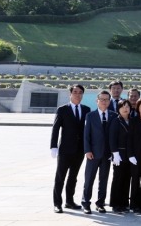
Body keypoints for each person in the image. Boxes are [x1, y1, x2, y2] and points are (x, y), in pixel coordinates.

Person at [50, 84, 91, 213]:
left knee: (73, 177)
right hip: (65, 150)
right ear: (70, 94)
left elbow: (88, 131)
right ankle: (57, 203)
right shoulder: (62, 109)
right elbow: (55, 128)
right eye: (75, 92)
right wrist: (53, 146)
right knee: (60, 177)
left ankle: (69, 201)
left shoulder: (86, 109)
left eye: (80, 92)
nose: (77, 94)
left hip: (79, 150)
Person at [81, 90, 117, 214]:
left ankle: (100, 203)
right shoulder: (90, 116)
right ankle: (86, 203)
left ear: (109, 101)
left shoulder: (113, 115)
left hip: (107, 155)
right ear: (97, 101)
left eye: (106, 99)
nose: (104, 101)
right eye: (101, 99)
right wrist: (87, 150)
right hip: (93, 154)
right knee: (89, 179)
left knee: (104, 180)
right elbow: (86, 135)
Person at [109, 100, 131, 213]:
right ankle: (115, 203)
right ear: (118, 109)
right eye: (123, 107)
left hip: (130, 155)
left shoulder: (131, 120)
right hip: (119, 155)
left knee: (127, 179)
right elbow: (112, 138)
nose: (125, 109)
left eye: (127, 106)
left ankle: (124, 202)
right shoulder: (116, 121)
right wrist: (115, 153)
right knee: (118, 179)